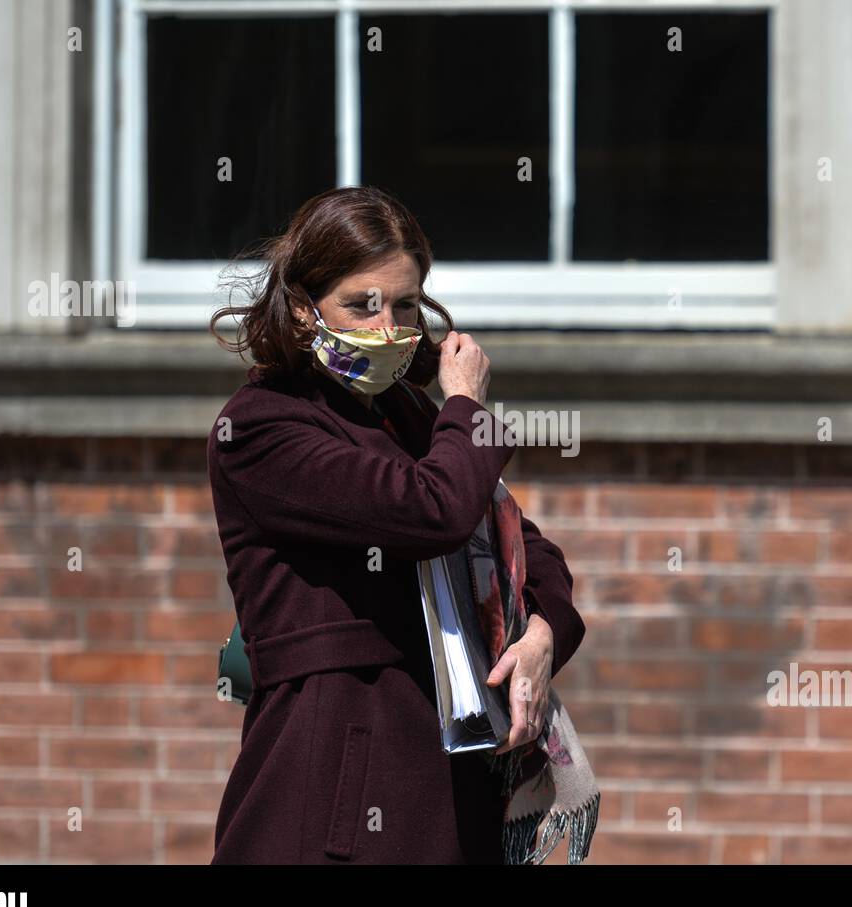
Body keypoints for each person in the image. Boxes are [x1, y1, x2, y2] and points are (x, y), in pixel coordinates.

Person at [205, 185, 586, 863]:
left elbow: (528, 549)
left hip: (453, 791)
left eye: (405, 304)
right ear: (301, 308)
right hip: (330, 801)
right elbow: (429, 511)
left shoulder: (411, 417)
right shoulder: (261, 427)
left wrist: (542, 636)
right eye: (362, 303)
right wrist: (464, 403)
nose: (387, 328)